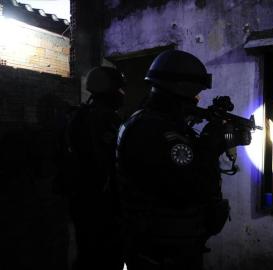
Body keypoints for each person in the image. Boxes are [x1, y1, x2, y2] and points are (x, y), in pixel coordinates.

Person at [116, 50, 251, 270]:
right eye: (194, 95)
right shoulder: (153, 129)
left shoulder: (155, 123)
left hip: (172, 245)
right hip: (160, 250)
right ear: (178, 91)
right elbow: (185, 189)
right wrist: (209, 146)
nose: (196, 101)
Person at [61, 66, 126, 270]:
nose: (122, 95)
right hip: (99, 202)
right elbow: (109, 161)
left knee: (87, 253)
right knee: (104, 256)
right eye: (119, 89)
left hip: (82, 198)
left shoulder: (82, 114)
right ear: (108, 89)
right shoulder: (104, 118)